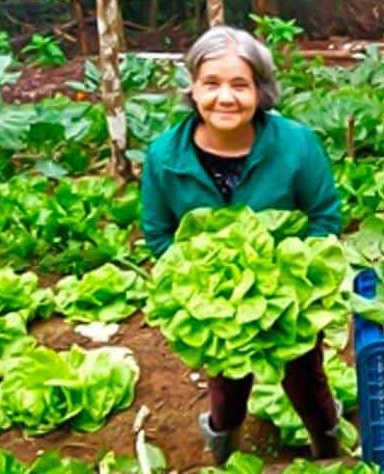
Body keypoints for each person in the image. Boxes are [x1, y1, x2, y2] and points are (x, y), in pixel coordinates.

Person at [140, 25, 343, 463]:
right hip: (215, 308)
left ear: (260, 91)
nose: (225, 98)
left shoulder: (296, 144)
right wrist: (199, 284)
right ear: (192, 88)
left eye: (240, 84)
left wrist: (291, 285)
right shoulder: (163, 156)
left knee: (306, 378)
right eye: (211, 83)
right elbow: (158, 235)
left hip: (290, 300)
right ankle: (223, 443)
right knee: (227, 387)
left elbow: (324, 217)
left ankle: (327, 444)